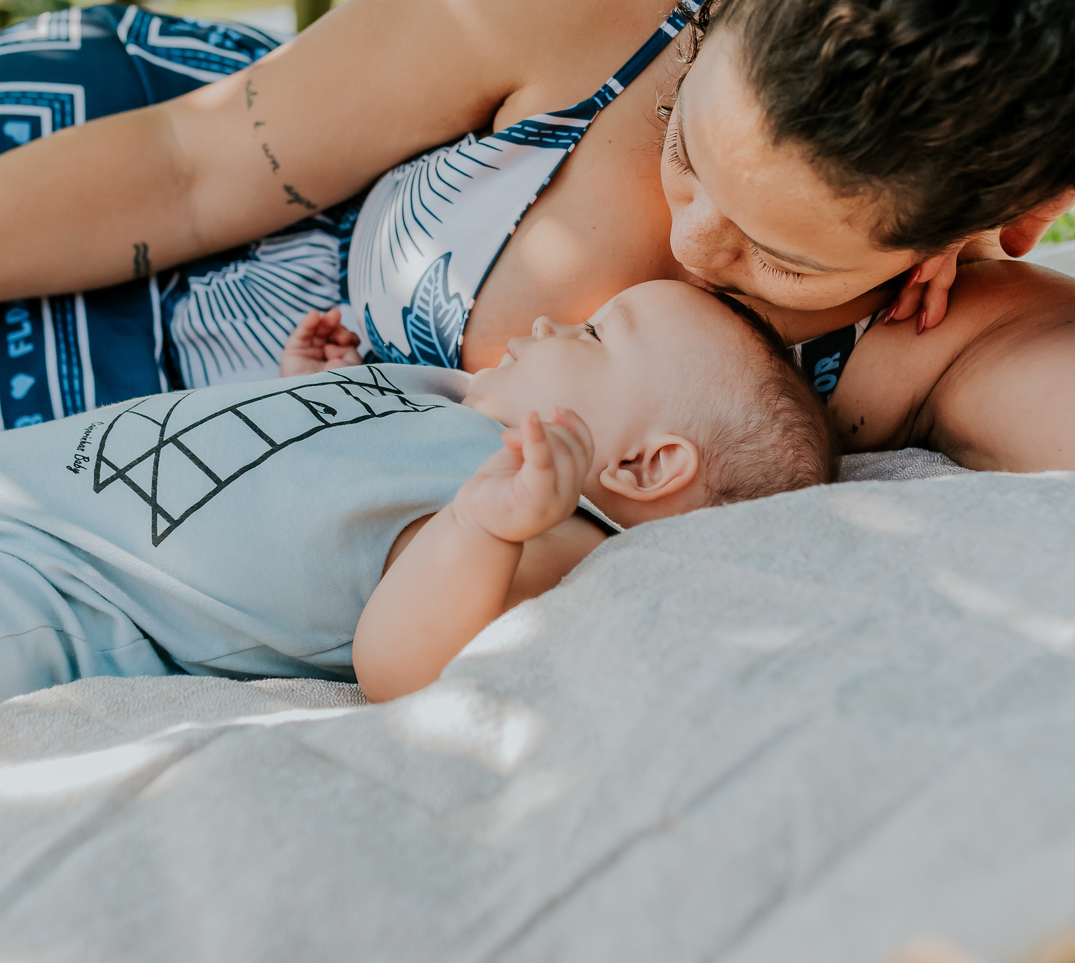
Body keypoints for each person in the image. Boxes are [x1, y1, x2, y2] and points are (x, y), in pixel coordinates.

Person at [0, 0, 1075, 467]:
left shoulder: (926, 346)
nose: (691, 237)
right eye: (688, 149)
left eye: (783, 258)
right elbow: (188, 167)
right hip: (123, 189)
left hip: (185, 452)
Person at [0, 280, 832, 704]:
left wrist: (483, 528)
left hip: (64, 592)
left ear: (643, 467)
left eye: (592, 334)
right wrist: (312, 392)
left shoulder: (542, 524)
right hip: (30, 477)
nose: (548, 324)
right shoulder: (454, 399)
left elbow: (398, 664)